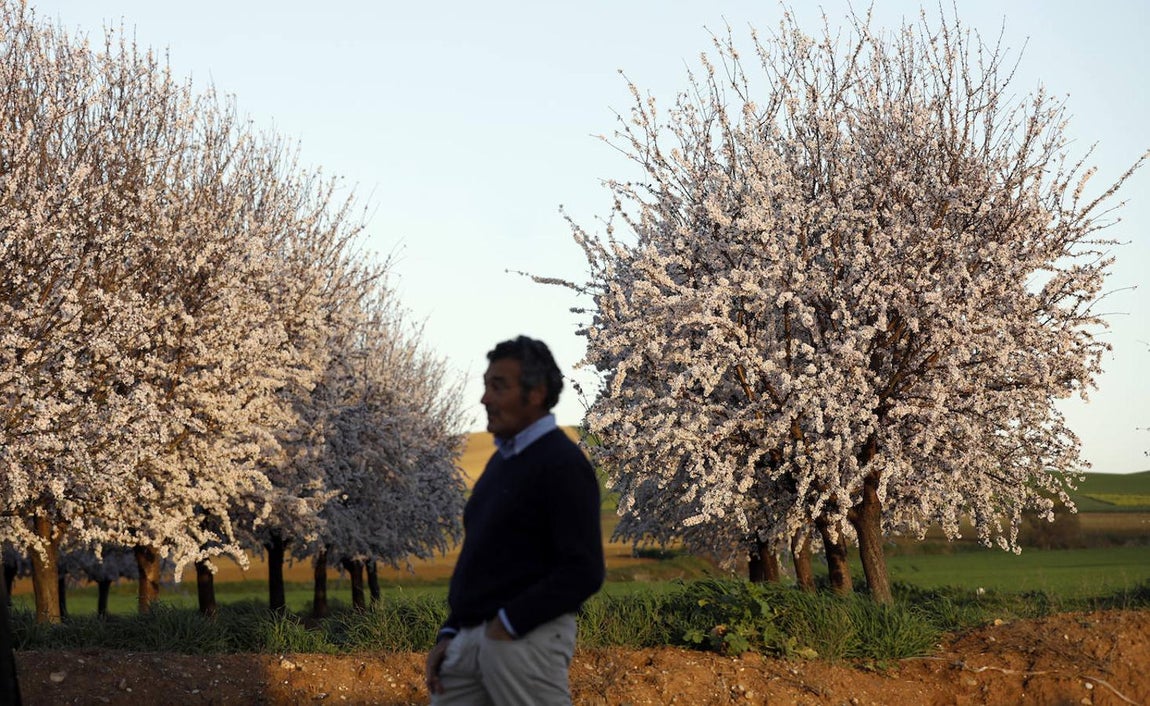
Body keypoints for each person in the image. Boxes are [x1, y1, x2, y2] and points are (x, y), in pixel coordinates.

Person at [425, 336, 605, 705]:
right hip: (472, 640)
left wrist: (508, 624)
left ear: (535, 393)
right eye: (486, 386)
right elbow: (483, 559)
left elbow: (584, 569)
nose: (484, 399)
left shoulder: (562, 464)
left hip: (524, 639)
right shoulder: (501, 463)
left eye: (498, 386)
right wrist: (452, 631)